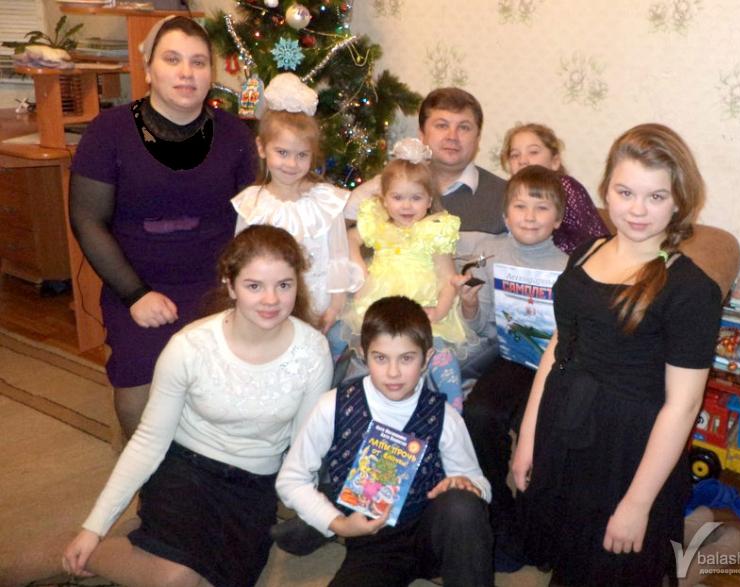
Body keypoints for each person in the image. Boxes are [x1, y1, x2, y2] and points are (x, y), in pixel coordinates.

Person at [61, 225, 333, 587]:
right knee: (178, 578)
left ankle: (140, 541)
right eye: (254, 286)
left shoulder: (313, 351)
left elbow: (303, 447)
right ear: (230, 285)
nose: (271, 299)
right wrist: (93, 528)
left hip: (252, 487)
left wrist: (318, 512)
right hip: (186, 471)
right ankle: (76, 552)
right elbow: (148, 440)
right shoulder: (189, 346)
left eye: (284, 285)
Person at [511, 124, 723, 585]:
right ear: (606, 189)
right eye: (625, 192)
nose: (637, 210)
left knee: (611, 568)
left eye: (656, 196)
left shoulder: (691, 290)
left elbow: (683, 405)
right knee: (567, 557)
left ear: (679, 200)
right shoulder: (586, 252)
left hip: (627, 450)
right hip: (564, 425)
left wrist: (637, 503)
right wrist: (529, 438)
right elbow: (558, 347)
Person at [68, 16, 257, 439]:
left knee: (226, 384)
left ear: (211, 73)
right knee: (138, 383)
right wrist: (136, 295)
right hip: (137, 285)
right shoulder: (108, 132)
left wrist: (241, 287)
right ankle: (145, 466)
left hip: (217, 286)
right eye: (172, 59)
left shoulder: (234, 134)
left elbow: (253, 220)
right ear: (149, 69)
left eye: (198, 62)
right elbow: (87, 219)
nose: (187, 72)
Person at [276, 296, 493, 587]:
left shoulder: (444, 415)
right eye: (381, 358)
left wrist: (467, 485)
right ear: (363, 354)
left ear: (426, 358)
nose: (393, 372)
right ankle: (312, 530)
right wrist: (339, 524)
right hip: (372, 541)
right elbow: (291, 480)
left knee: (462, 506)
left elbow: (480, 484)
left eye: (406, 358)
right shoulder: (334, 406)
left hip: (432, 534)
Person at [453, 165, 568, 569]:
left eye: (542, 208)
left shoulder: (570, 267)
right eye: (520, 206)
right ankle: (500, 516)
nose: (530, 216)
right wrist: (470, 305)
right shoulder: (489, 255)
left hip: (555, 370)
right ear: (505, 214)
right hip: (509, 358)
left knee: (549, 431)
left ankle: (540, 530)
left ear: (558, 218)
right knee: (480, 414)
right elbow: (481, 326)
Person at [345, 138, 476, 411]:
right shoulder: (378, 225)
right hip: (378, 306)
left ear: (429, 200)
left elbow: (449, 279)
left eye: (416, 198)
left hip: (423, 313)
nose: (406, 206)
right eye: (397, 197)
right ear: (384, 199)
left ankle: (453, 414)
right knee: (344, 342)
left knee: (442, 360)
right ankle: (348, 410)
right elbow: (349, 239)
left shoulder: (433, 231)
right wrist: (360, 270)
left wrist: (439, 312)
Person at [231, 73, 362, 333]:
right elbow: (240, 263)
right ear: (261, 148)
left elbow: (338, 257)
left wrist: (335, 307)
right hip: (267, 312)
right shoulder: (252, 204)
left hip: (320, 313)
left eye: (302, 155)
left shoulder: (326, 201)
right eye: (282, 153)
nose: (291, 164)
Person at [346, 87, 506, 255]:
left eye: (464, 127)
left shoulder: (506, 198)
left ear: (478, 138)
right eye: (442, 125)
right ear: (421, 134)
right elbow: (336, 235)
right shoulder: (384, 188)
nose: (452, 136)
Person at [499, 122, 608, 253]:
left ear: (555, 162)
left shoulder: (566, 188)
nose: (522, 160)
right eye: (515, 155)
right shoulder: (510, 192)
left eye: (533, 152)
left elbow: (596, 240)